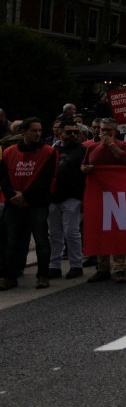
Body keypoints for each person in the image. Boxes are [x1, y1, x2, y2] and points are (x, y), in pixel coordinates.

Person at [0, 118, 57, 291]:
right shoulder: (8, 152)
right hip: (13, 204)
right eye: (34, 130)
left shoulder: (48, 152)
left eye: (40, 130)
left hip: (37, 203)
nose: (38, 134)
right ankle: (9, 276)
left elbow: (45, 179)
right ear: (22, 132)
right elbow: (4, 179)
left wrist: (25, 196)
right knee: (10, 241)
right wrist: (13, 196)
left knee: (41, 240)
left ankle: (42, 276)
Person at [81, 119, 126, 283]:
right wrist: (85, 169)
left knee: (117, 231)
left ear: (115, 132)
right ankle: (102, 268)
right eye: (103, 130)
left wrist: (111, 145)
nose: (105, 133)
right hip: (98, 195)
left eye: (109, 130)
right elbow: (84, 165)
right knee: (100, 230)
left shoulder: (123, 145)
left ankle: (119, 268)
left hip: (117, 195)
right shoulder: (91, 147)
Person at [46, 120, 87, 280]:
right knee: (55, 234)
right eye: (69, 132)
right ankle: (54, 266)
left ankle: (76, 265)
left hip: (73, 197)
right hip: (53, 197)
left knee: (71, 232)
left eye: (76, 132)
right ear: (60, 133)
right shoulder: (52, 150)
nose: (73, 135)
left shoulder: (83, 150)